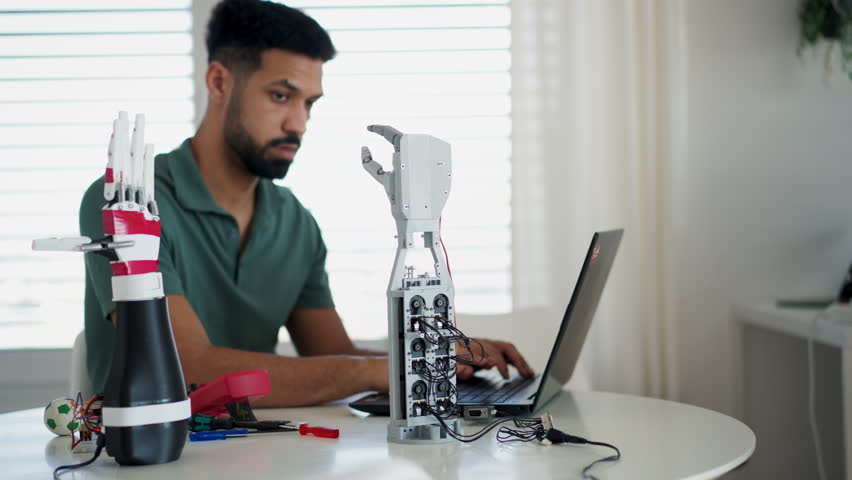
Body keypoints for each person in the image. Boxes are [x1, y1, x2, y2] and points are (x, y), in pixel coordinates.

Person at [79, 0, 533, 407]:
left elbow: (331, 356)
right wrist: (395, 369)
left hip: (261, 450)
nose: (299, 123)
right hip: (150, 455)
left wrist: (433, 355)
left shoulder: (295, 222)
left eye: (310, 103)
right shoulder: (128, 201)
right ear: (219, 82)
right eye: (281, 96)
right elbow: (188, 369)